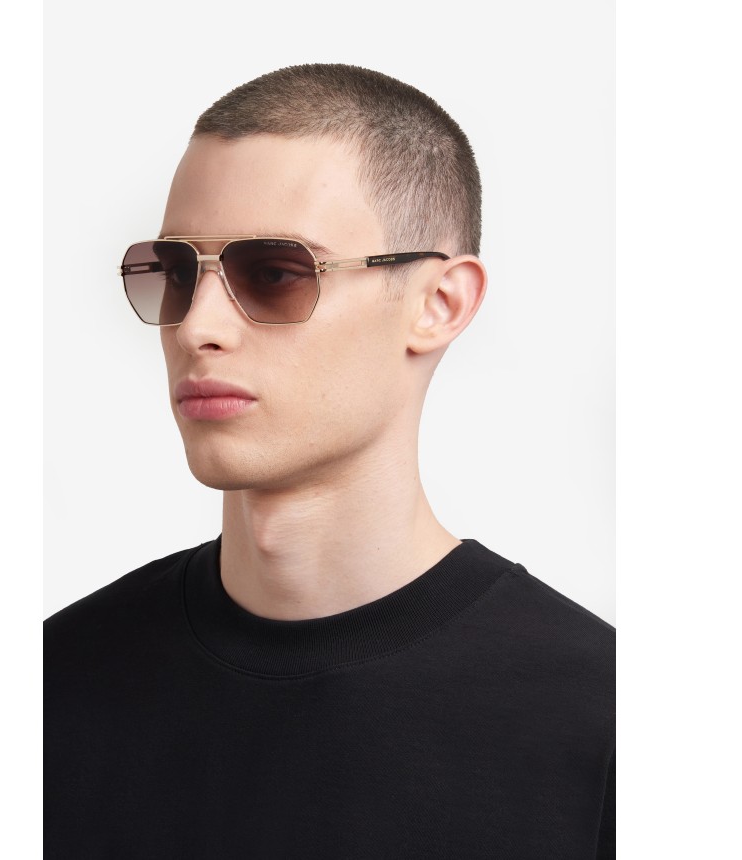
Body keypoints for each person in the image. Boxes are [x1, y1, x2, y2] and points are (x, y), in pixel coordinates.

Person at [44, 63, 615, 858]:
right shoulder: (46, 691)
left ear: (439, 303)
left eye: (275, 273)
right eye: (174, 273)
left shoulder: (607, 727)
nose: (197, 327)